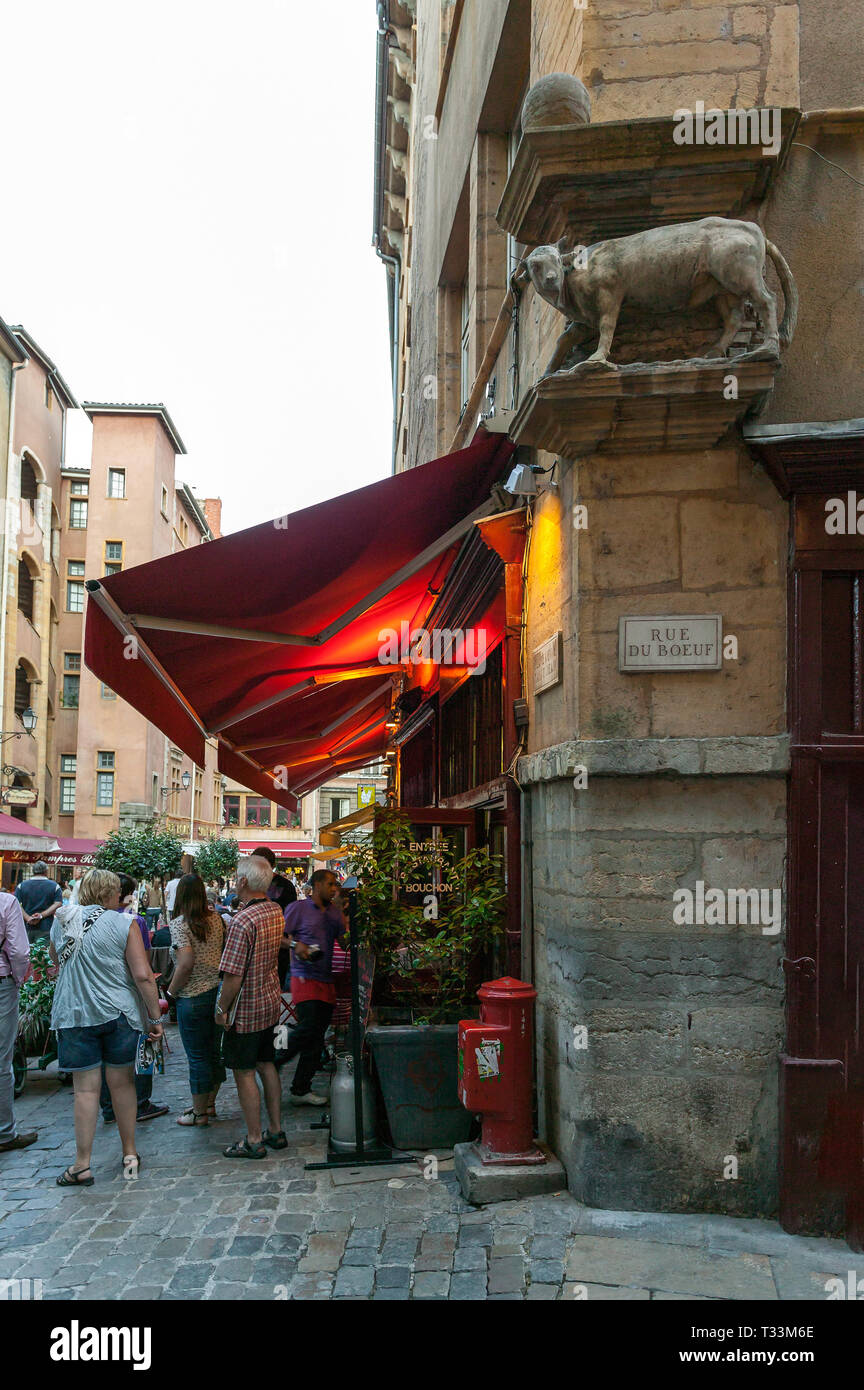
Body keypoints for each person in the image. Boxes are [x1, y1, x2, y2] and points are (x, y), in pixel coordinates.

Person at [49, 869, 163, 1186]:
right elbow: (142, 975)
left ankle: (81, 1165)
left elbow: (56, 961)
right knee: (123, 1084)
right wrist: (155, 1019)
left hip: (76, 1013)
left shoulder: (62, 919)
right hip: (118, 1014)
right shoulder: (123, 923)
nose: (120, 897)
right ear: (109, 893)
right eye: (116, 892)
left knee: (85, 1090)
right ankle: (129, 1153)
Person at [216, 857, 285, 1158]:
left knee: (244, 1072)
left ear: (243, 882)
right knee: (267, 1064)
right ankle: (276, 1129)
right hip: (269, 1001)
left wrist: (221, 1008)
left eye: (235, 877)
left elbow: (232, 976)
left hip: (246, 1008)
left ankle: (254, 1138)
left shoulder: (243, 920)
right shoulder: (274, 910)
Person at [98, 873, 169, 1126]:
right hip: (132, 993)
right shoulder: (134, 921)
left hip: (102, 996)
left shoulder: (93, 921)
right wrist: (154, 1013)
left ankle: (109, 1108)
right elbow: (145, 966)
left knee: (107, 1056)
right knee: (143, 1048)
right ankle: (141, 1102)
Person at [278, 869, 349, 1106]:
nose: (333, 888)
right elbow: (279, 937)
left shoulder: (334, 913)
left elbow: (344, 941)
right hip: (303, 976)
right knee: (308, 1027)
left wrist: (348, 920)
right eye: (330, 884)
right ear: (316, 885)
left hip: (326, 978)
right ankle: (275, 1057)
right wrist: (297, 945)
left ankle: (301, 1088)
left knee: (317, 1036)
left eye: (335, 885)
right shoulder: (297, 909)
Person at [165, 873, 225, 1125]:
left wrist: (170, 992)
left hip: (191, 996)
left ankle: (198, 1113)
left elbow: (186, 963)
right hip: (217, 992)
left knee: (197, 1056)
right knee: (213, 1052)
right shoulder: (217, 919)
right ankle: (209, 1105)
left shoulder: (180, 924)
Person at [0, 891, 37, 1153]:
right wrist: (19, 978)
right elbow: (19, 951)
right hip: (1, 982)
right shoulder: (6, 902)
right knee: (2, 1058)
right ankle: (4, 1133)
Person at [16, 862, 63, 943]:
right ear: (46, 871)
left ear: (33, 871)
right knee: (43, 953)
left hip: (26, 927)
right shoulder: (54, 886)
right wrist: (41, 915)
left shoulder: (21, 886)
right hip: (46, 926)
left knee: (27, 953)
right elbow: (58, 903)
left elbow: (16, 904)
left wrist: (28, 918)